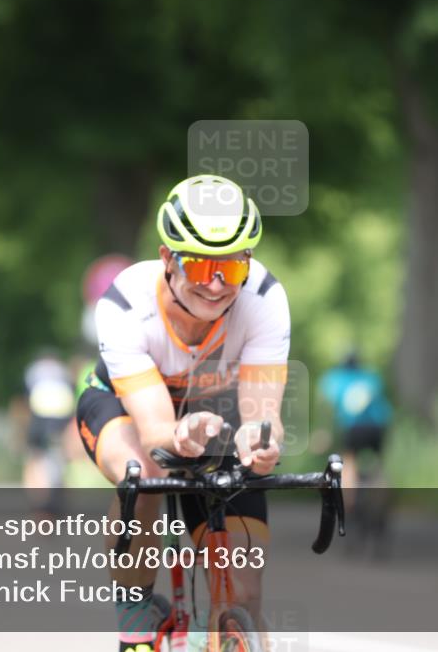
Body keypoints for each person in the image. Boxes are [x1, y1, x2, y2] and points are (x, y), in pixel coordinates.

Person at [75, 174, 288, 652]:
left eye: (231, 270)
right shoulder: (125, 302)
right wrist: (180, 431)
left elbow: (260, 413)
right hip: (123, 406)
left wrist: (261, 441)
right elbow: (154, 429)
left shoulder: (265, 299)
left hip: (216, 409)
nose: (215, 286)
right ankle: (134, 609)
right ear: (167, 257)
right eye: (200, 267)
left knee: (245, 593)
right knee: (145, 470)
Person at [318, 352, 392, 495]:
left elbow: (327, 409)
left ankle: (347, 504)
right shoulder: (371, 377)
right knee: (379, 463)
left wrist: (324, 432)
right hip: (378, 426)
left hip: (353, 427)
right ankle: (381, 496)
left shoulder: (334, 379)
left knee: (348, 461)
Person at [21, 352, 77, 513]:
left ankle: (36, 501)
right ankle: (60, 494)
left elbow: (25, 401)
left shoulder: (33, 370)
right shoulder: (63, 371)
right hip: (62, 419)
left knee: (35, 458)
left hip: (39, 419)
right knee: (62, 457)